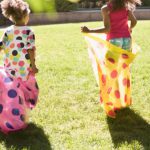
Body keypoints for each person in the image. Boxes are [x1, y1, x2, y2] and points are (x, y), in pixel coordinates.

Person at [81, 0, 141, 118]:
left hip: (114, 42)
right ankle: (124, 101)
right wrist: (129, 28)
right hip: (127, 42)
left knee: (110, 75)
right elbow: (134, 21)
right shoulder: (125, 7)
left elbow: (107, 29)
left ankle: (110, 106)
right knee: (123, 72)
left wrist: (90, 31)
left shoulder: (106, 9)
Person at [0, 0, 39, 133]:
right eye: (28, 14)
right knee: (28, 91)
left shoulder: (8, 30)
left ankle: (13, 115)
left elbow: (1, 46)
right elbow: (30, 50)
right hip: (23, 70)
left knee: (14, 93)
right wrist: (33, 66)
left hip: (10, 69)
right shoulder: (28, 31)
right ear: (24, 16)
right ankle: (19, 116)